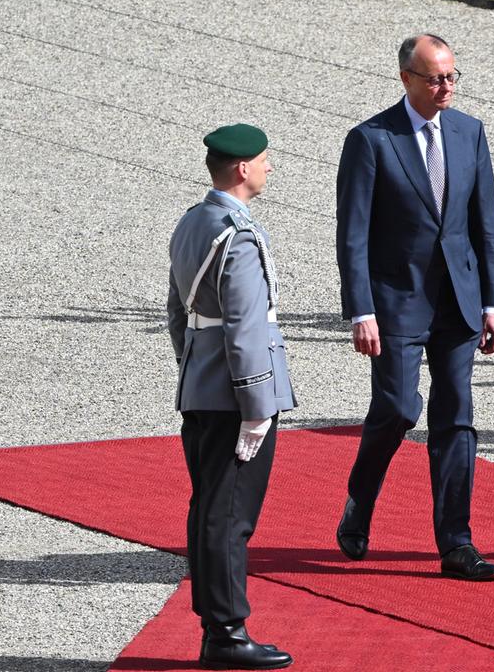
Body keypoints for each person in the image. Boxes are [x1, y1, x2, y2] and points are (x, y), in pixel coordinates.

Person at [335, 34, 494, 582]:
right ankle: (361, 496)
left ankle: (456, 542)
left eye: (453, 76)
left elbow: (486, 223)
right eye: (435, 78)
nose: (446, 87)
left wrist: (493, 303)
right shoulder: (371, 140)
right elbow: (353, 235)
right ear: (406, 78)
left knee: (456, 418)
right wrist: (361, 310)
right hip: (396, 302)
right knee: (399, 410)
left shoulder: (469, 132)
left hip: (458, 301)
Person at [168, 123, 295, 671]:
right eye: (265, 161)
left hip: (201, 385)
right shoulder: (238, 234)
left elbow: (178, 312)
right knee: (229, 515)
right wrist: (256, 407)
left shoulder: (193, 222)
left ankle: (218, 627)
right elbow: (246, 327)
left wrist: (193, 370)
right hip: (234, 396)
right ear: (242, 169)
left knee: (208, 510)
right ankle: (226, 631)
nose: (269, 168)